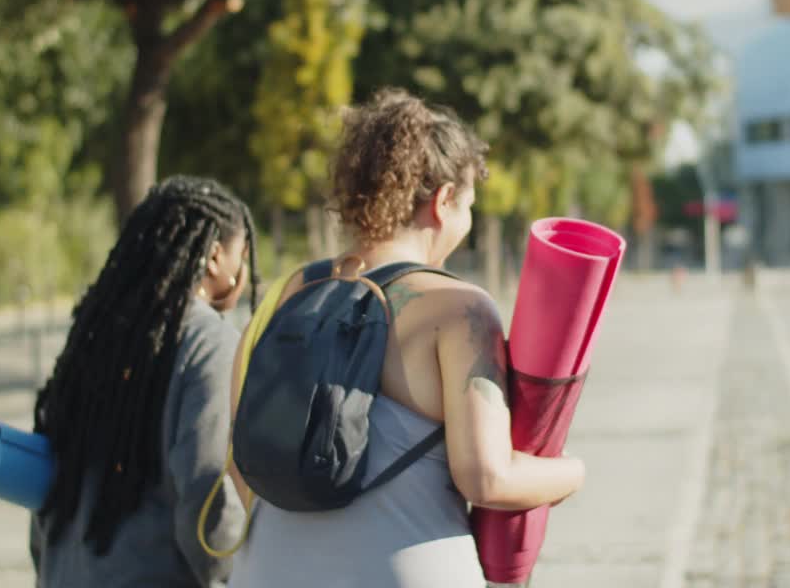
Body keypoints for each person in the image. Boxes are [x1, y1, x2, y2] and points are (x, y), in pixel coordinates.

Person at [226, 89, 586, 588]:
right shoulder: (458, 310)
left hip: (264, 570)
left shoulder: (285, 297)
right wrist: (571, 473)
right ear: (442, 203)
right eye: (468, 206)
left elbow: (241, 459)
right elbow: (486, 477)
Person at [30, 175, 259, 587]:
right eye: (241, 256)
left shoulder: (93, 335)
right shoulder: (208, 341)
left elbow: (49, 479)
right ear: (212, 257)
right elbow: (207, 494)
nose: (244, 274)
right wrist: (232, 575)